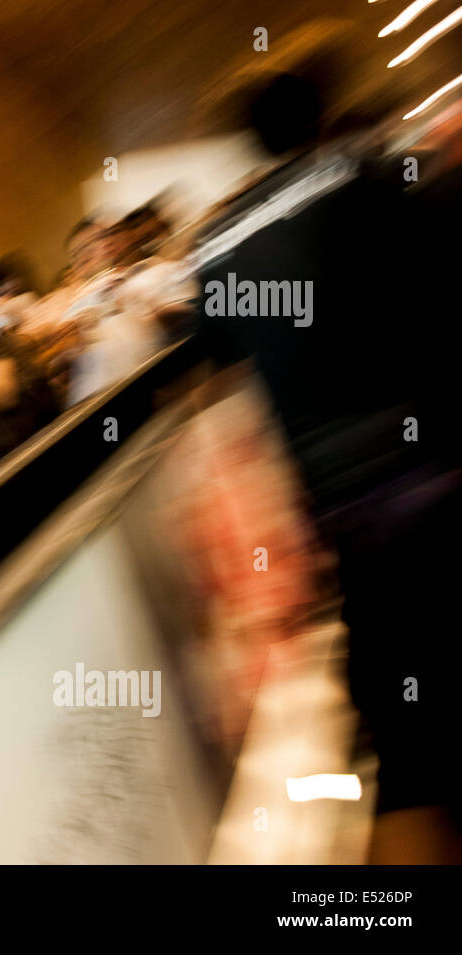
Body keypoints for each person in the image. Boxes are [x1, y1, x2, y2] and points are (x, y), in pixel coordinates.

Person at [193, 70, 462, 862]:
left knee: (402, 738)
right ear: (319, 116)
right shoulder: (372, 175)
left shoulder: (218, 246)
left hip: (341, 513)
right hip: (434, 474)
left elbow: (221, 363)